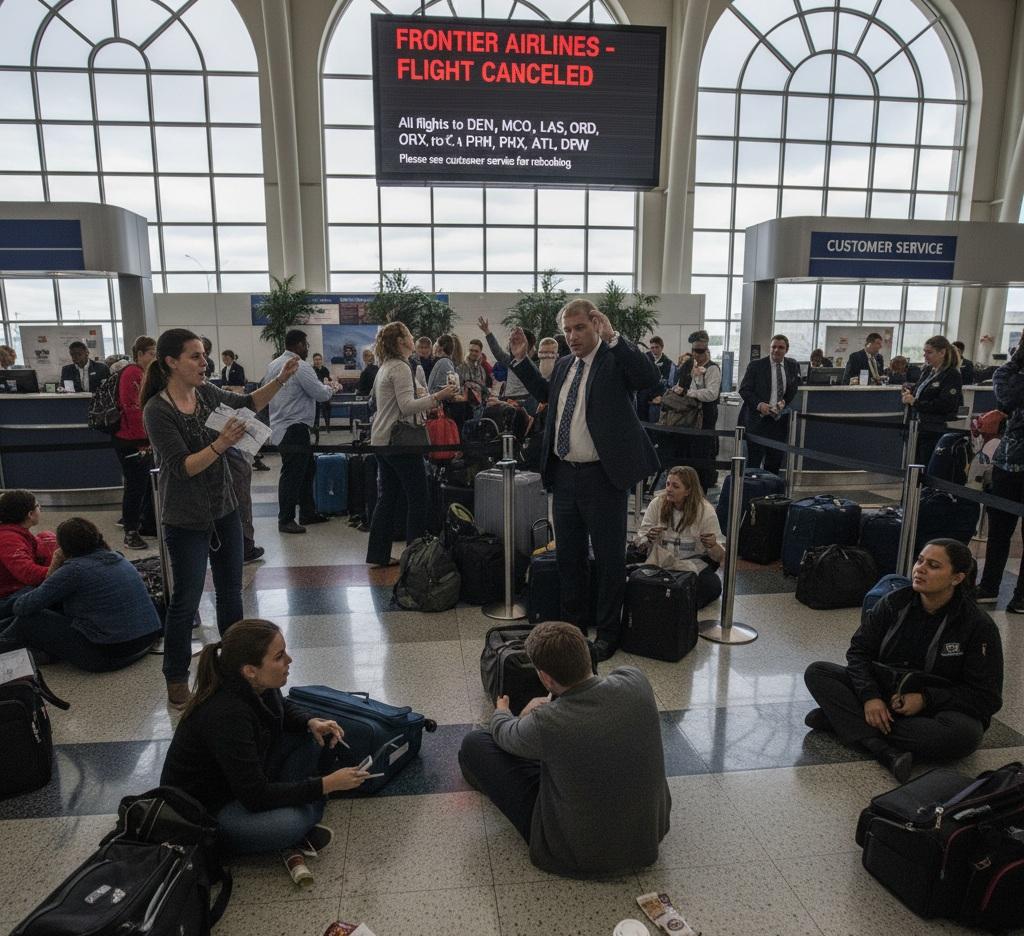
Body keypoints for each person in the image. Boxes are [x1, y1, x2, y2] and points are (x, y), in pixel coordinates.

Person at [143, 327, 299, 707]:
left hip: (224, 509)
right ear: (170, 363)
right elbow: (183, 468)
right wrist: (221, 443)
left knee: (232, 594)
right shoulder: (158, 410)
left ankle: (235, 671)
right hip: (186, 519)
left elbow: (247, 402)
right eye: (195, 356)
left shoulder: (207, 393)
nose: (204, 362)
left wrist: (280, 379)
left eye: (203, 355)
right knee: (187, 599)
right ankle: (176, 677)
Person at [160, 619, 370, 886]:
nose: (290, 660)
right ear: (250, 670)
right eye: (280, 657)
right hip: (212, 810)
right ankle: (299, 819)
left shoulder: (257, 686)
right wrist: (326, 785)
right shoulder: (227, 714)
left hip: (241, 783)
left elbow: (283, 708)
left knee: (311, 738)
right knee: (289, 825)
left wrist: (311, 721)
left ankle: (301, 805)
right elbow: (255, 796)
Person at [508, 299, 661, 661]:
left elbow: (649, 379)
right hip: (564, 477)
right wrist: (521, 360)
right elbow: (548, 396)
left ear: (595, 325)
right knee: (569, 559)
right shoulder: (563, 364)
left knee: (609, 560)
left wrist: (615, 339)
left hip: (602, 478)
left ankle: (608, 633)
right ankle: (573, 630)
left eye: (579, 328)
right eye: (567, 330)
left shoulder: (614, 361)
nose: (572, 336)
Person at [458, 622, 671, 878]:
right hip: (648, 837)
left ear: (546, 678)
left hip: (575, 853)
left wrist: (503, 711)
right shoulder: (636, 681)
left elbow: (505, 734)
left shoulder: (547, 722)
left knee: (475, 745)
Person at [804, 539, 1003, 782]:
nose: (920, 569)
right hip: (884, 690)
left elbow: (986, 697)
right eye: (919, 561)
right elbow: (859, 653)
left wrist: (925, 699)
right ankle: (881, 748)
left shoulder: (977, 626)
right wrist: (870, 697)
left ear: (957, 578)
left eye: (933, 565)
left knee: (963, 736)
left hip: (937, 707)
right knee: (818, 672)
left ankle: (843, 722)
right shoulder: (893, 603)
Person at [1, 518, 161, 671]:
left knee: (30, 618)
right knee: (47, 606)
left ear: (64, 546)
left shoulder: (74, 570)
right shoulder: (118, 557)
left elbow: (23, 607)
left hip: (109, 653)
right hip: (145, 641)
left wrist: (55, 565)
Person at [366, 323, 457, 567]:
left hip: (382, 440)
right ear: (400, 342)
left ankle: (378, 553)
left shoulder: (384, 366)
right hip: (401, 442)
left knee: (387, 497)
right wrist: (438, 397)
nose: (412, 338)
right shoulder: (401, 367)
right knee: (418, 497)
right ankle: (414, 556)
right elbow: (406, 406)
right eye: (408, 335)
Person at [266, 330, 334, 534]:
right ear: (297, 345)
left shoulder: (272, 365)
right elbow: (320, 394)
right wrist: (332, 387)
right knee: (292, 475)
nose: (307, 349)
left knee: (306, 470)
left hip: (280, 425)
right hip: (294, 427)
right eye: (305, 345)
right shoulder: (301, 366)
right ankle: (285, 519)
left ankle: (308, 512)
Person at [634, 465, 724, 608]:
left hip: (692, 566)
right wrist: (648, 537)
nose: (669, 489)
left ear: (688, 491)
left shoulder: (705, 510)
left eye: (675, 486)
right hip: (659, 562)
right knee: (637, 583)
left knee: (712, 586)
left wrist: (712, 545)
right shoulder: (657, 504)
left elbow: (719, 557)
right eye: (668, 484)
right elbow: (640, 543)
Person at [976, 343, 1024, 609]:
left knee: (999, 531)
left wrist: (1016, 360)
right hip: (1008, 463)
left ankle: (997, 589)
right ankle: (993, 588)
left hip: (1011, 460)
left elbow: (1005, 391)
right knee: (998, 530)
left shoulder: (1012, 377)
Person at [114, 336, 157, 550]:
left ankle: (147, 524)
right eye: (151, 353)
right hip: (131, 441)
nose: (154, 357)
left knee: (147, 483)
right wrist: (146, 437)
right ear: (139, 354)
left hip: (141, 439)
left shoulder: (144, 374)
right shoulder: (132, 373)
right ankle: (130, 531)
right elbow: (132, 408)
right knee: (136, 486)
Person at [738, 335, 801, 473]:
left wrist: (784, 402)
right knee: (753, 464)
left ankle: (771, 492)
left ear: (786, 350)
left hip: (778, 423)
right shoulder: (756, 366)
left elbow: (793, 388)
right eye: (774, 347)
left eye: (781, 347)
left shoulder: (792, 365)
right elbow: (744, 390)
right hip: (757, 421)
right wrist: (760, 405)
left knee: (774, 463)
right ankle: (751, 493)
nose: (776, 350)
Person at [901, 335, 963, 464]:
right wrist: (909, 393)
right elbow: (919, 390)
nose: (925, 356)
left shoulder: (952, 375)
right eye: (924, 352)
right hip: (916, 427)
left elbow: (945, 405)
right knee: (913, 464)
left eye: (929, 352)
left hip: (933, 429)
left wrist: (915, 402)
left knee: (927, 464)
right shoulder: (928, 370)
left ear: (942, 353)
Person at [0, 490, 57, 619]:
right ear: (30, 514)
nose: (40, 508)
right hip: (7, 598)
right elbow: (28, 573)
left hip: (17, 591)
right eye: (38, 505)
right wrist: (62, 572)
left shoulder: (20, 535)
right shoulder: (8, 539)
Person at [479, 317, 537, 410]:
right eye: (511, 341)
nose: (512, 343)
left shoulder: (534, 363)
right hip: (509, 397)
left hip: (526, 399)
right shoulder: (510, 360)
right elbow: (497, 351)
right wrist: (487, 331)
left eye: (517, 340)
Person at [636, 335, 676, 421]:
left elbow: (669, 383)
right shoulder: (644, 358)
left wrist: (661, 396)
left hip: (657, 396)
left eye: (656, 347)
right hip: (642, 395)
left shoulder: (668, 363)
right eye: (652, 348)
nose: (654, 350)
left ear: (662, 347)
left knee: (653, 421)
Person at [311, 352, 333, 431]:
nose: (318, 361)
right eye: (316, 360)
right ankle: (316, 426)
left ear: (321, 360)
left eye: (319, 359)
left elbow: (329, 380)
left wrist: (330, 382)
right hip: (315, 393)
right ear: (313, 361)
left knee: (327, 405)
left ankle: (328, 425)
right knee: (316, 406)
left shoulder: (325, 369)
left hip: (324, 392)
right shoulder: (311, 370)